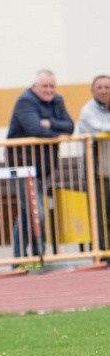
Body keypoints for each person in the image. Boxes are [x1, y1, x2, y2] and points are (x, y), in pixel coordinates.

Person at [5, 70, 74, 263]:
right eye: (45, 86)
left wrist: (49, 123)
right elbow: (34, 128)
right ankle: (38, 255)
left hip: (45, 167)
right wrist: (58, 135)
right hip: (23, 167)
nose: (49, 90)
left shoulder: (57, 100)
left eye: (52, 86)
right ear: (35, 86)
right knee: (37, 213)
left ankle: (20, 259)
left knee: (28, 212)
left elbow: (70, 126)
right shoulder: (25, 101)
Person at [76, 74, 110, 251]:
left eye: (107, 87)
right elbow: (99, 128)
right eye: (100, 87)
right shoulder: (87, 111)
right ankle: (102, 254)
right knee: (100, 217)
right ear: (92, 91)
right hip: (98, 174)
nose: (104, 91)